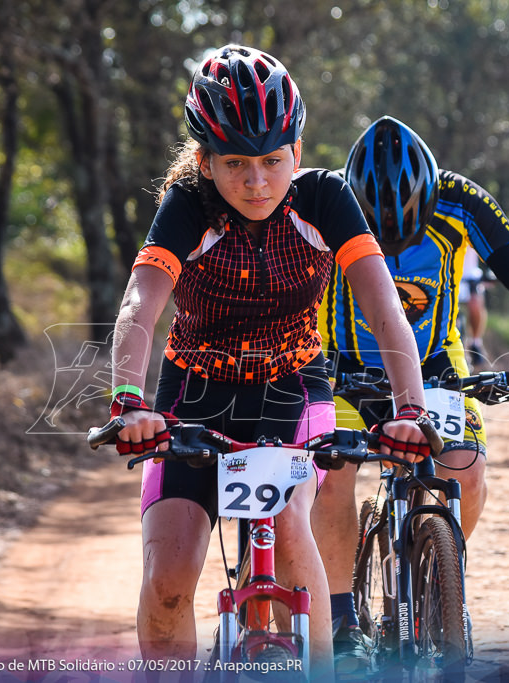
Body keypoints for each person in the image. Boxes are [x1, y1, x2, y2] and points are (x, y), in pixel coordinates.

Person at [107, 47, 431, 677]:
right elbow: (138, 308)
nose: (256, 182)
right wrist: (128, 400)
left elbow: (384, 309)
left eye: (271, 161)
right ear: (204, 162)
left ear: (297, 153)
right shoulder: (186, 207)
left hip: (292, 386)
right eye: (234, 164)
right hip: (193, 393)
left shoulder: (325, 201)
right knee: (168, 581)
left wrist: (410, 409)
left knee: (287, 529)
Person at [314, 115, 509, 672]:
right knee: (331, 478)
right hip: (344, 365)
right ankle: (341, 620)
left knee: (465, 469)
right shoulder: (326, 201)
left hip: (433, 365)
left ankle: (445, 577)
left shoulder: (461, 201)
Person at [458, 246, 493, 368]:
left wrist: (491, 271)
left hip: (470, 276)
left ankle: (476, 342)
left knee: (475, 304)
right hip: (446, 277)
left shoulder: (471, 226)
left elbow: (488, 248)